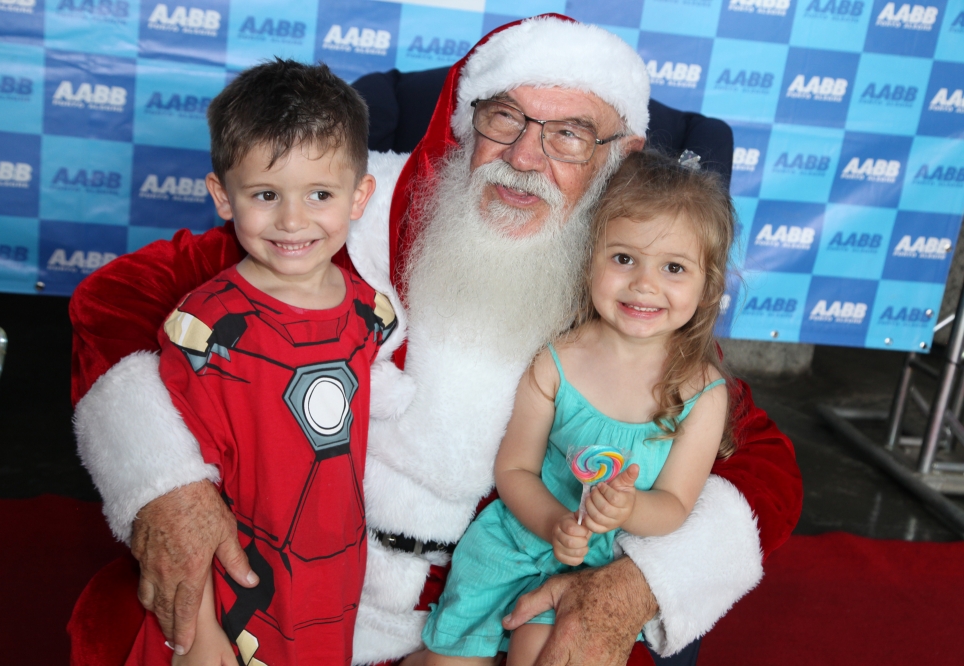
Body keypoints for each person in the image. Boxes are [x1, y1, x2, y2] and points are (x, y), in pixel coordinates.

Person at [70, 14, 802, 666]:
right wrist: (168, 486)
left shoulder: (627, 279)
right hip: (295, 575)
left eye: (568, 135)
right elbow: (118, 301)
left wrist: (634, 586)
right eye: (504, 118)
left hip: (493, 605)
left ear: (619, 153)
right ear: (464, 121)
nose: (524, 157)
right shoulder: (349, 216)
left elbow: (759, 458)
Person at [121, 59, 395, 666]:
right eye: (266, 195)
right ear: (224, 196)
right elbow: (179, 492)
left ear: (359, 197)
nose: (293, 221)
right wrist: (196, 632)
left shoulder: (370, 312)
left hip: (334, 580)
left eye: (320, 194)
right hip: (238, 585)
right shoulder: (206, 330)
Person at [419, 150, 734, 666]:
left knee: (540, 653)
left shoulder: (701, 394)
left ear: (707, 287)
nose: (644, 284)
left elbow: (675, 504)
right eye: (623, 258)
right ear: (589, 257)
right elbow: (515, 468)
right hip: (517, 543)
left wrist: (629, 510)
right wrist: (554, 523)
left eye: (674, 267)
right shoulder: (555, 361)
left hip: (595, 566)